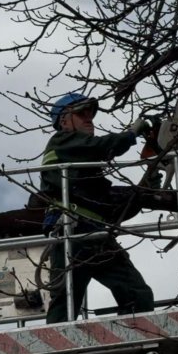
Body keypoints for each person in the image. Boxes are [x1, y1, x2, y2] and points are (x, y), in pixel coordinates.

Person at [38, 92, 156, 323]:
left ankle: (136, 338)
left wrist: (148, 184)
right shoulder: (62, 142)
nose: (88, 118)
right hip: (71, 233)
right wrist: (131, 134)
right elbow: (104, 146)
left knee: (138, 294)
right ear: (64, 121)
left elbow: (114, 210)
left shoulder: (85, 167)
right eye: (81, 113)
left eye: (90, 114)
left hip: (97, 235)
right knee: (65, 304)